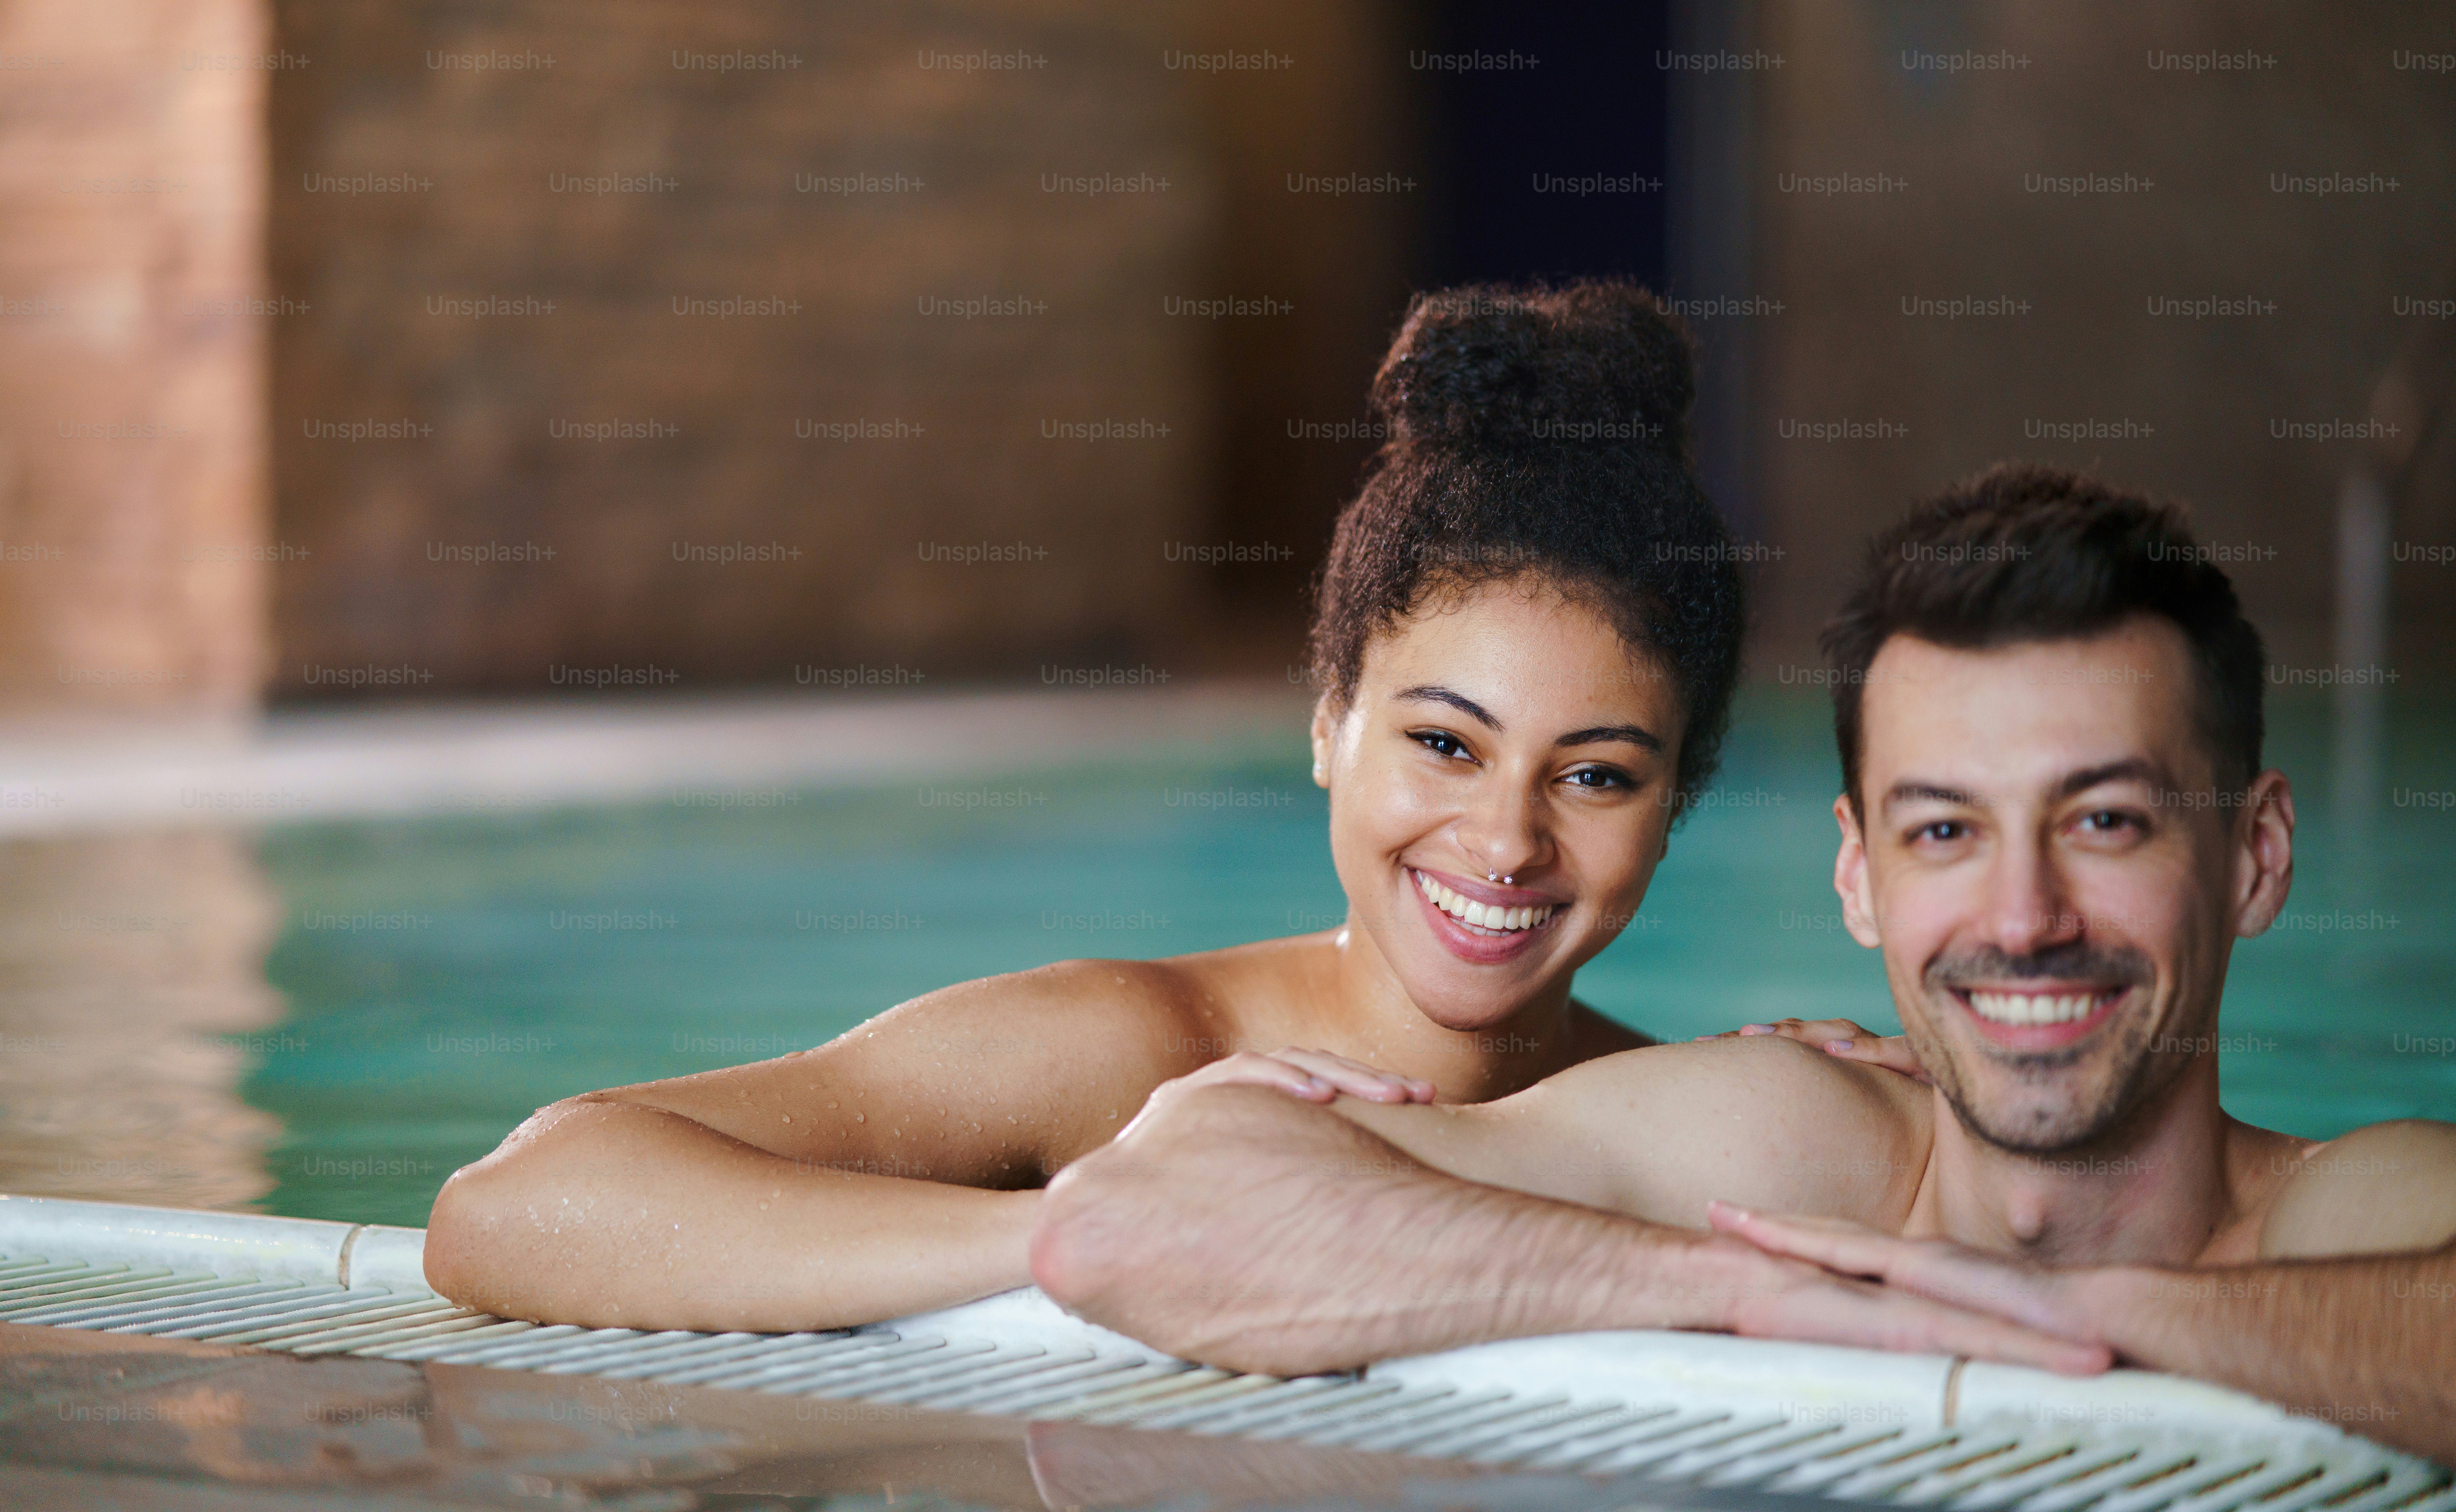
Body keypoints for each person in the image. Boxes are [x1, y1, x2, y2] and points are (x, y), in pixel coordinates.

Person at [422, 280, 1898, 1331]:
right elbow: (518, 1203)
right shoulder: (1130, 1059)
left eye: (1592, 776)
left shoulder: (1687, 1118)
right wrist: (1083, 1233)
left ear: (1680, 801)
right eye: (1445, 746)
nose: (1506, 840)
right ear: (1328, 726)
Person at [1029, 464, 2456, 1464]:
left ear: (2255, 858)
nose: (2021, 916)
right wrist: (1728, 1293)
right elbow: (1128, 1225)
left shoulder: (2349, 1218)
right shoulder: (1786, 1159)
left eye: (2102, 820)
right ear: (1856, 875)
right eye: (1943, 829)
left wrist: (2086, 1314)